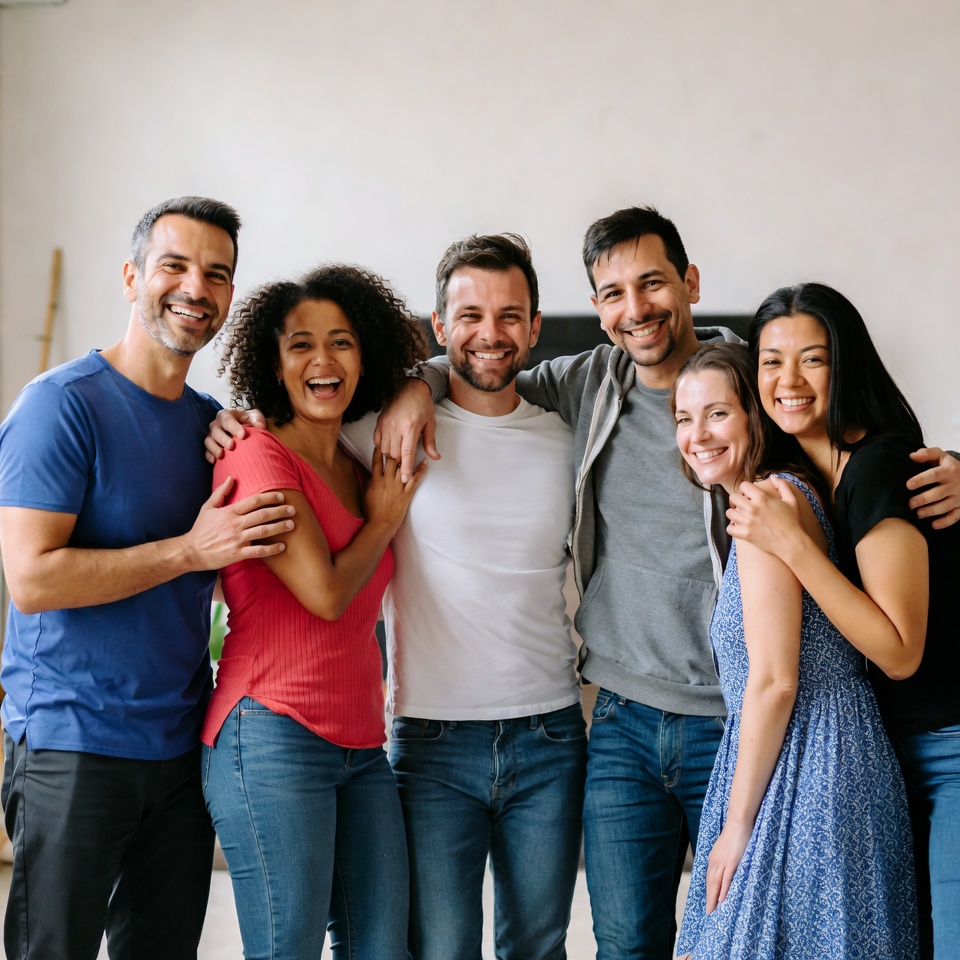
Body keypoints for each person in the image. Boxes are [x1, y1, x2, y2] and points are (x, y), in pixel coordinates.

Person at [374, 206, 960, 959]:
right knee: (627, 942)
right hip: (622, 720)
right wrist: (411, 382)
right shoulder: (584, 383)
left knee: (761, 927)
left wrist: (941, 468)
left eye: (652, 283)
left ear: (689, 282)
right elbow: (482, 362)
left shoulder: (760, 378)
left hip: (738, 716)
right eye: (612, 293)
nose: (636, 308)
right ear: (594, 309)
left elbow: (854, 435)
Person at [209, 234, 586, 960]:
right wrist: (227, 418)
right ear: (439, 328)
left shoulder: (567, 436)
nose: (492, 333)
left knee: (524, 946)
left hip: (540, 732)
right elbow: (287, 426)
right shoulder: (370, 435)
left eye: (512, 316)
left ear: (536, 327)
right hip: (417, 737)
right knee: (434, 948)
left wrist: (419, 382)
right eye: (470, 314)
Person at [0, 197, 297, 960]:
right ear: (133, 276)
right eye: (175, 265)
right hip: (72, 743)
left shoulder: (211, 427)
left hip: (176, 751)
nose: (196, 286)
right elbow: (31, 579)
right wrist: (190, 552)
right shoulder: (58, 408)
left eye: (217, 273)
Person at [726, 282, 960, 960]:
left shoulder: (879, 467)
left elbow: (898, 650)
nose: (788, 380)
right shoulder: (812, 481)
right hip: (888, 757)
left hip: (948, 748)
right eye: (771, 361)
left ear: (847, 366)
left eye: (813, 359)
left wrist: (793, 546)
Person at [201, 264, 428, 959]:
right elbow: (326, 594)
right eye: (300, 344)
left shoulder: (359, 469)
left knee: (380, 945)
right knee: (286, 947)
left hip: (360, 743)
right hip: (271, 732)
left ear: (367, 357)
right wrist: (385, 522)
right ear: (273, 362)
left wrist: (418, 387)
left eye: (342, 342)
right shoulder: (256, 454)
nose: (323, 362)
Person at [670, 342, 917, 958]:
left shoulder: (767, 502)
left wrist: (737, 825)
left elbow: (776, 680)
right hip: (820, 755)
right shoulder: (788, 495)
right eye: (683, 417)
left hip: (812, 766)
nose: (697, 434)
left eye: (718, 414)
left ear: (756, 416)